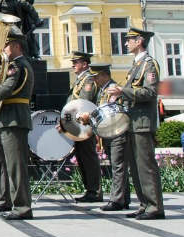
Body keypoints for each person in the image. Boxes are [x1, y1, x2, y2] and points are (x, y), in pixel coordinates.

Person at [108, 27, 164, 220]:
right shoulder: (136, 65)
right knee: (135, 166)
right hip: (133, 122)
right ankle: (144, 203)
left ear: (139, 41)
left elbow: (150, 93)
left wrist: (123, 92)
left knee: (145, 165)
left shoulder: (149, 65)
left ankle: (154, 206)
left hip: (142, 122)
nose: (126, 43)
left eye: (129, 40)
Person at [0, 26, 34, 220]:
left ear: (17, 46)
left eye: (7, 45)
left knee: (16, 166)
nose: (3, 49)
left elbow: (9, 86)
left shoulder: (17, 65)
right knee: (9, 164)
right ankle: (12, 201)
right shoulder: (13, 64)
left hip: (14, 118)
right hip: (8, 118)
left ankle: (22, 207)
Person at [85, 64, 131, 212]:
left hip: (117, 132)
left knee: (118, 166)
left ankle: (117, 200)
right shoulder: (103, 90)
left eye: (96, 77)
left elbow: (119, 110)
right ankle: (124, 199)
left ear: (105, 75)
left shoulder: (113, 89)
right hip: (110, 132)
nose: (94, 80)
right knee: (117, 166)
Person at [60, 51, 103, 203]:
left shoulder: (88, 79)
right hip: (77, 125)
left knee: (88, 158)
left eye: (76, 62)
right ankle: (90, 190)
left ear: (85, 64)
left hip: (85, 125)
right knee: (82, 158)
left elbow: (84, 102)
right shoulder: (80, 80)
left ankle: (95, 191)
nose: (73, 65)